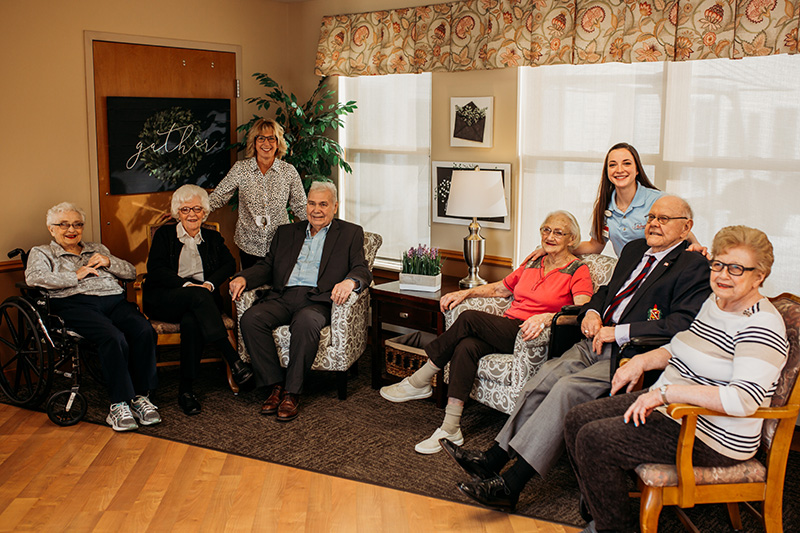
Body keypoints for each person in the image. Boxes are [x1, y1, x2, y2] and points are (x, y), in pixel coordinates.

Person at [440, 195, 712, 511]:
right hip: (594, 339)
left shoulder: (694, 265)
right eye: (652, 216)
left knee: (567, 389)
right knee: (545, 376)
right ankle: (493, 458)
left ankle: (511, 486)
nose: (654, 223)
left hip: (632, 354)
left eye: (664, 219)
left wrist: (618, 331)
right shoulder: (635, 250)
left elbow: (681, 323)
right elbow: (606, 293)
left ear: (686, 228)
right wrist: (593, 314)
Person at [564, 225, 788, 533]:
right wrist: (641, 361)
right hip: (673, 411)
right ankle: (603, 515)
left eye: (736, 269)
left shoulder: (761, 325)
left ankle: (613, 527)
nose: (723, 275)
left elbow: (743, 400)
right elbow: (681, 345)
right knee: (577, 418)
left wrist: (666, 393)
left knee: (594, 440)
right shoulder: (716, 303)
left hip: (711, 434)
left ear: (759, 275)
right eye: (718, 265)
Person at [380, 211, 594, 454]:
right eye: (546, 229)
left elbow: (581, 311)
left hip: (533, 336)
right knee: (466, 346)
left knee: (469, 318)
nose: (550, 236)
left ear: (572, 239)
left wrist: (547, 318)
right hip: (507, 328)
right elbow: (502, 290)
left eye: (559, 232)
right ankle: (450, 427)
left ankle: (421, 378)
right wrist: (465, 293)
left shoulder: (578, 270)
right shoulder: (533, 261)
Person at [230, 181, 371, 422]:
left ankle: (292, 393)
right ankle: (275, 386)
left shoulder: (350, 233)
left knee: (305, 323)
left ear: (335, 207)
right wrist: (243, 277)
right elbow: (267, 267)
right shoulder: (286, 232)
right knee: (252, 319)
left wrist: (350, 282)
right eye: (312, 203)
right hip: (283, 296)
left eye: (323, 204)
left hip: (317, 299)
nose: (316, 210)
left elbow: (361, 269)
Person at [25, 202, 160, 432]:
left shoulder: (96, 248)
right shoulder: (42, 252)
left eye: (77, 224)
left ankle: (140, 396)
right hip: (74, 303)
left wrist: (109, 262)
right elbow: (33, 278)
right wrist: (74, 275)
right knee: (112, 337)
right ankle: (118, 404)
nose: (72, 229)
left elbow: (130, 272)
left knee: (144, 330)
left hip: (113, 300)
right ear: (51, 229)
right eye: (64, 225)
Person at [143, 185, 254, 416]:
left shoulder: (212, 237)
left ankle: (186, 391)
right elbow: (155, 269)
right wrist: (186, 285)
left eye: (197, 209)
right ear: (177, 213)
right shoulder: (165, 235)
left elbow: (229, 264)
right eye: (185, 210)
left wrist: (209, 284)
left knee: (192, 321)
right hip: (168, 299)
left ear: (205, 212)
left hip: (200, 303)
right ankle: (233, 358)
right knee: (197, 297)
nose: (192, 214)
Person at [526, 143, 704, 260]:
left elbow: (683, 232)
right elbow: (595, 246)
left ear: (636, 170)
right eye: (612, 165)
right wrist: (554, 247)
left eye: (626, 163)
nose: (619, 170)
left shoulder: (658, 201)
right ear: (607, 171)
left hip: (661, 271)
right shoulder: (605, 207)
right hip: (629, 273)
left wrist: (697, 248)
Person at [209, 118, 307, 269]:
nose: (266, 143)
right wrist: (189, 210)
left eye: (271, 138)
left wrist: (322, 225)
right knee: (250, 290)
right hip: (249, 245)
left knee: (278, 289)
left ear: (278, 143)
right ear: (254, 142)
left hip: (281, 245)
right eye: (261, 138)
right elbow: (219, 197)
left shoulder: (288, 171)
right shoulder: (241, 169)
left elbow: (300, 206)